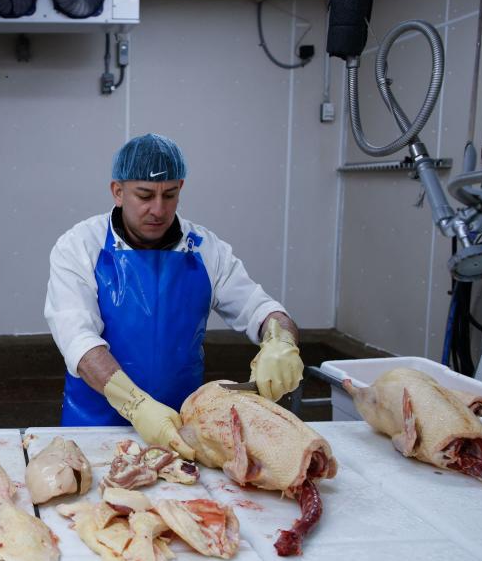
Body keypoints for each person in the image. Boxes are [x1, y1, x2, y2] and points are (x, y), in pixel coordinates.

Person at [44, 133, 303, 454]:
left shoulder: (206, 249)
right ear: (118, 192)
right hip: (95, 427)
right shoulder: (80, 245)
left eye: (170, 195)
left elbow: (260, 308)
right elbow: (77, 339)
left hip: (185, 428)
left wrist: (281, 339)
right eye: (145, 195)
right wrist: (137, 406)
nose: (158, 209)